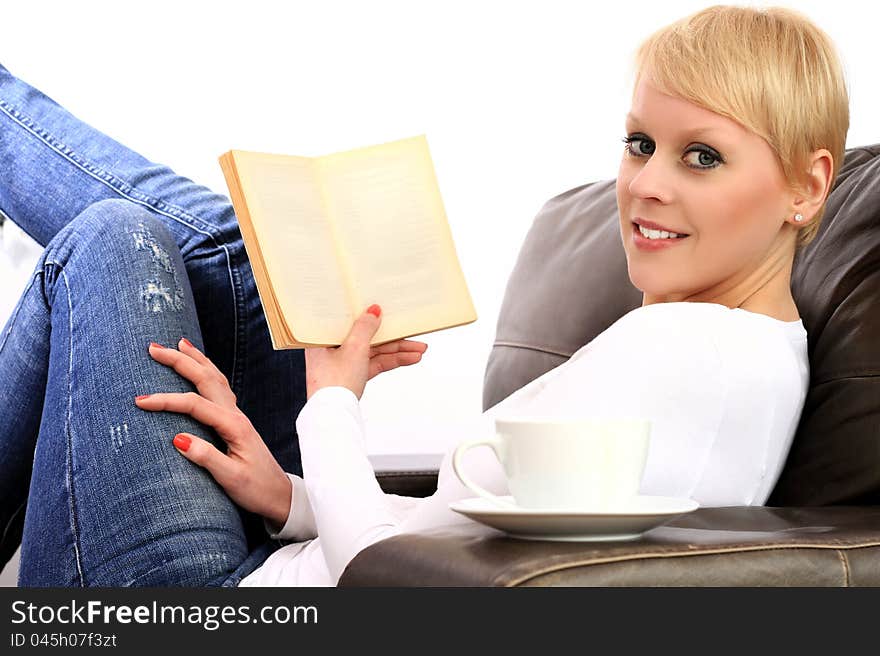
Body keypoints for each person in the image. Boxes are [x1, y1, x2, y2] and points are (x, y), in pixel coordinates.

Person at [0, 4, 848, 587]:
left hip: (214, 597)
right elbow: (463, 545)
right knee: (230, 250)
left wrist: (334, 402)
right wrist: (286, 494)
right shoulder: (736, 344)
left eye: (703, 156)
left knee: (120, 236)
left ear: (807, 188)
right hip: (280, 555)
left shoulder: (689, 357)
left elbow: (395, 582)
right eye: (639, 142)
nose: (644, 186)